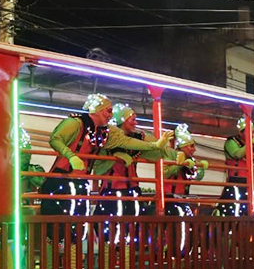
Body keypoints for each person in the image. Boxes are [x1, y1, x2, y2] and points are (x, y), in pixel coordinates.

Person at [40, 93, 172, 235]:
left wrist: (155, 145)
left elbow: (127, 142)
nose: (111, 116)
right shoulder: (76, 123)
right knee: (58, 229)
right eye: (108, 111)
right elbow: (55, 139)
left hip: (83, 183)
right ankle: (57, 253)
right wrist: (70, 156)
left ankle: (74, 254)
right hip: (62, 180)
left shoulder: (106, 133)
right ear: (97, 110)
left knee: (79, 229)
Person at [93, 103, 179, 238]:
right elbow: (97, 170)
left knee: (130, 231)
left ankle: (125, 254)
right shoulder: (107, 139)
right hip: (111, 193)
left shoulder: (138, 139)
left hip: (131, 192)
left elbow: (155, 152)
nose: (136, 122)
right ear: (122, 121)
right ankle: (114, 254)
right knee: (110, 231)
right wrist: (114, 158)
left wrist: (175, 155)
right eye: (132, 119)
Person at [163, 123, 209, 217]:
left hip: (183, 198)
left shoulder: (191, 160)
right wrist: (181, 164)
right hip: (169, 199)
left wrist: (201, 168)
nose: (194, 149)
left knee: (187, 222)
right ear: (183, 147)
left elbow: (197, 177)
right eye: (191, 146)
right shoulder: (170, 155)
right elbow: (165, 173)